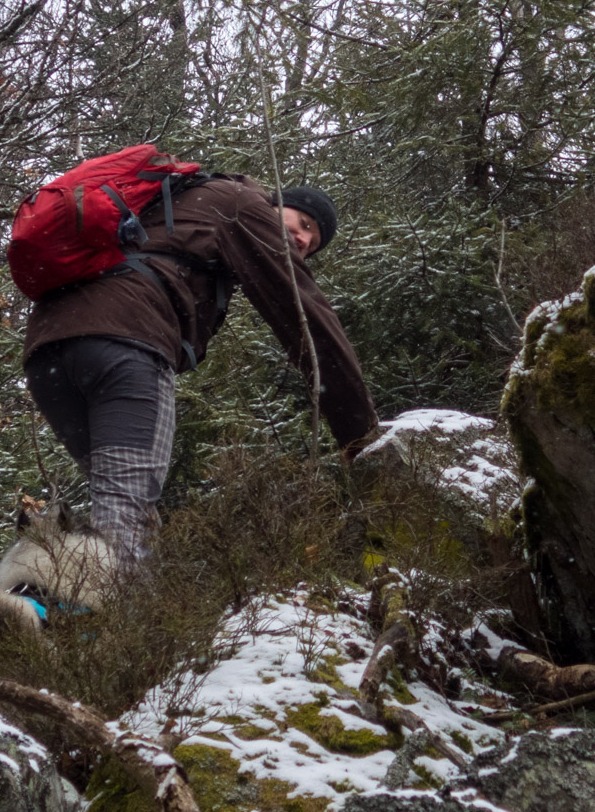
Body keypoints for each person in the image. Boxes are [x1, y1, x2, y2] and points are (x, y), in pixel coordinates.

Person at [20, 174, 377, 560]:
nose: (304, 240)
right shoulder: (246, 207)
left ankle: (48, 598)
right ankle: (100, 614)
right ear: (277, 204)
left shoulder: (183, 203)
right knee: (126, 512)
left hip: (49, 352)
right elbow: (306, 316)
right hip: (125, 343)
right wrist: (360, 437)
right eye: (304, 223)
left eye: (313, 242)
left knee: (116, 496)